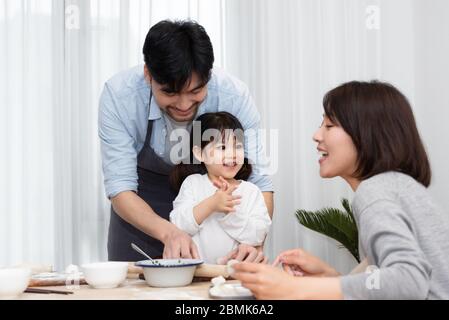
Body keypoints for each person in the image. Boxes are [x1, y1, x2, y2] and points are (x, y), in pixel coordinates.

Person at [233, 81, 449, 299]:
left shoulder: (375, 192)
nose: (316, 135)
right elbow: (382, 282)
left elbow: (409, 281)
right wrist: (331, 277)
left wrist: (296, 289)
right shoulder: (398, 186)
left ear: (366, 134)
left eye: (329, 125)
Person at [98, 20, 274, 261]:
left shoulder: (234, 96)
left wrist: (254, 243)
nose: (183, 105)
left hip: (218, 198)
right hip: (141, 200)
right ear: (148, 74)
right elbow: (120, 188)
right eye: (170, 92)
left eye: (195, 92)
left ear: (208, 76)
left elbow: (260, 182)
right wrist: (170, 233)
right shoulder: (120, 96)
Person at [169, 112, 272, 264]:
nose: (232, 154)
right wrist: (211, 204)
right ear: (199, 153)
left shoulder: (251, 191)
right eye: (222, 147)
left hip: (236, 277)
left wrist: (228, 213)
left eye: (238, 146)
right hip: (196, 273)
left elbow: (258, 235)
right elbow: (178, 225)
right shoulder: (193, 184)